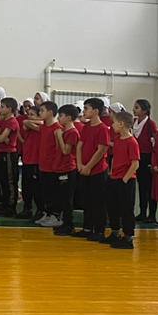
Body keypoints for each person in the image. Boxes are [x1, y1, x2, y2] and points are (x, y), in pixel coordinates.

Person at [73, 98, 110, 241]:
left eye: (86, 108)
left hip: (98, 171)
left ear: (95, 111)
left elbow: (101, 150)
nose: (84, 111)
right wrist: (80, 164)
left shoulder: (103, 129)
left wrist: (88, 166)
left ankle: (99, 230)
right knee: (86, 200)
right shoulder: (86, 127)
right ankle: (87, 228)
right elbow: (79, 146)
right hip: (84, 169)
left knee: (98, 202)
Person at [105, 109, 140, 250]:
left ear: (121, 124)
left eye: (114, 123)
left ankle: (128, 236)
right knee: (113, 207)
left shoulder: (132, 142)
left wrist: (125, 179)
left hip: (126, 180)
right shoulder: (118, 140)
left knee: (126, 209)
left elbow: (135, 164)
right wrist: (112, 172)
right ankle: (115, 232)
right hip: (115, 177)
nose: (112, 125)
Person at [50, 103, 80, 234]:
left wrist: (59, 136)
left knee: (67, 199)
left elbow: (66, 151)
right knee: (61, 198)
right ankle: (64, 222)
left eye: (61, 116)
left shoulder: (72, 132)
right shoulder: (64, 131)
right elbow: (59, 148)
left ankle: (69, 225)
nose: (58, 118)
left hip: (68, 168)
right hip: (61, 167)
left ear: (68, 117)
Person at [0, 97, 21, 216]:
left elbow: (1, 138)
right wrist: (1, 139)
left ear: (9, 109)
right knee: (2, 179)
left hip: (9, 153)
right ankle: (4, 203)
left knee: (9, 180)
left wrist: (1, 139)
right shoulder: (2, 121)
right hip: (1, 152)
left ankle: (11, 206)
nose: (0, 109)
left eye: (3, 107)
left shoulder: (12, 122)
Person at [131, 100, 157, 223]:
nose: (134, 109)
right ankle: (142, 212)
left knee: (149, 187)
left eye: (137, 107)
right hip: (138, 156)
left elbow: (155, 142)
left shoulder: (150, 124)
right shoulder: (134, 122)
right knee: (141, 186)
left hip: (147, 156)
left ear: (145, 111)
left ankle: (152, 214)